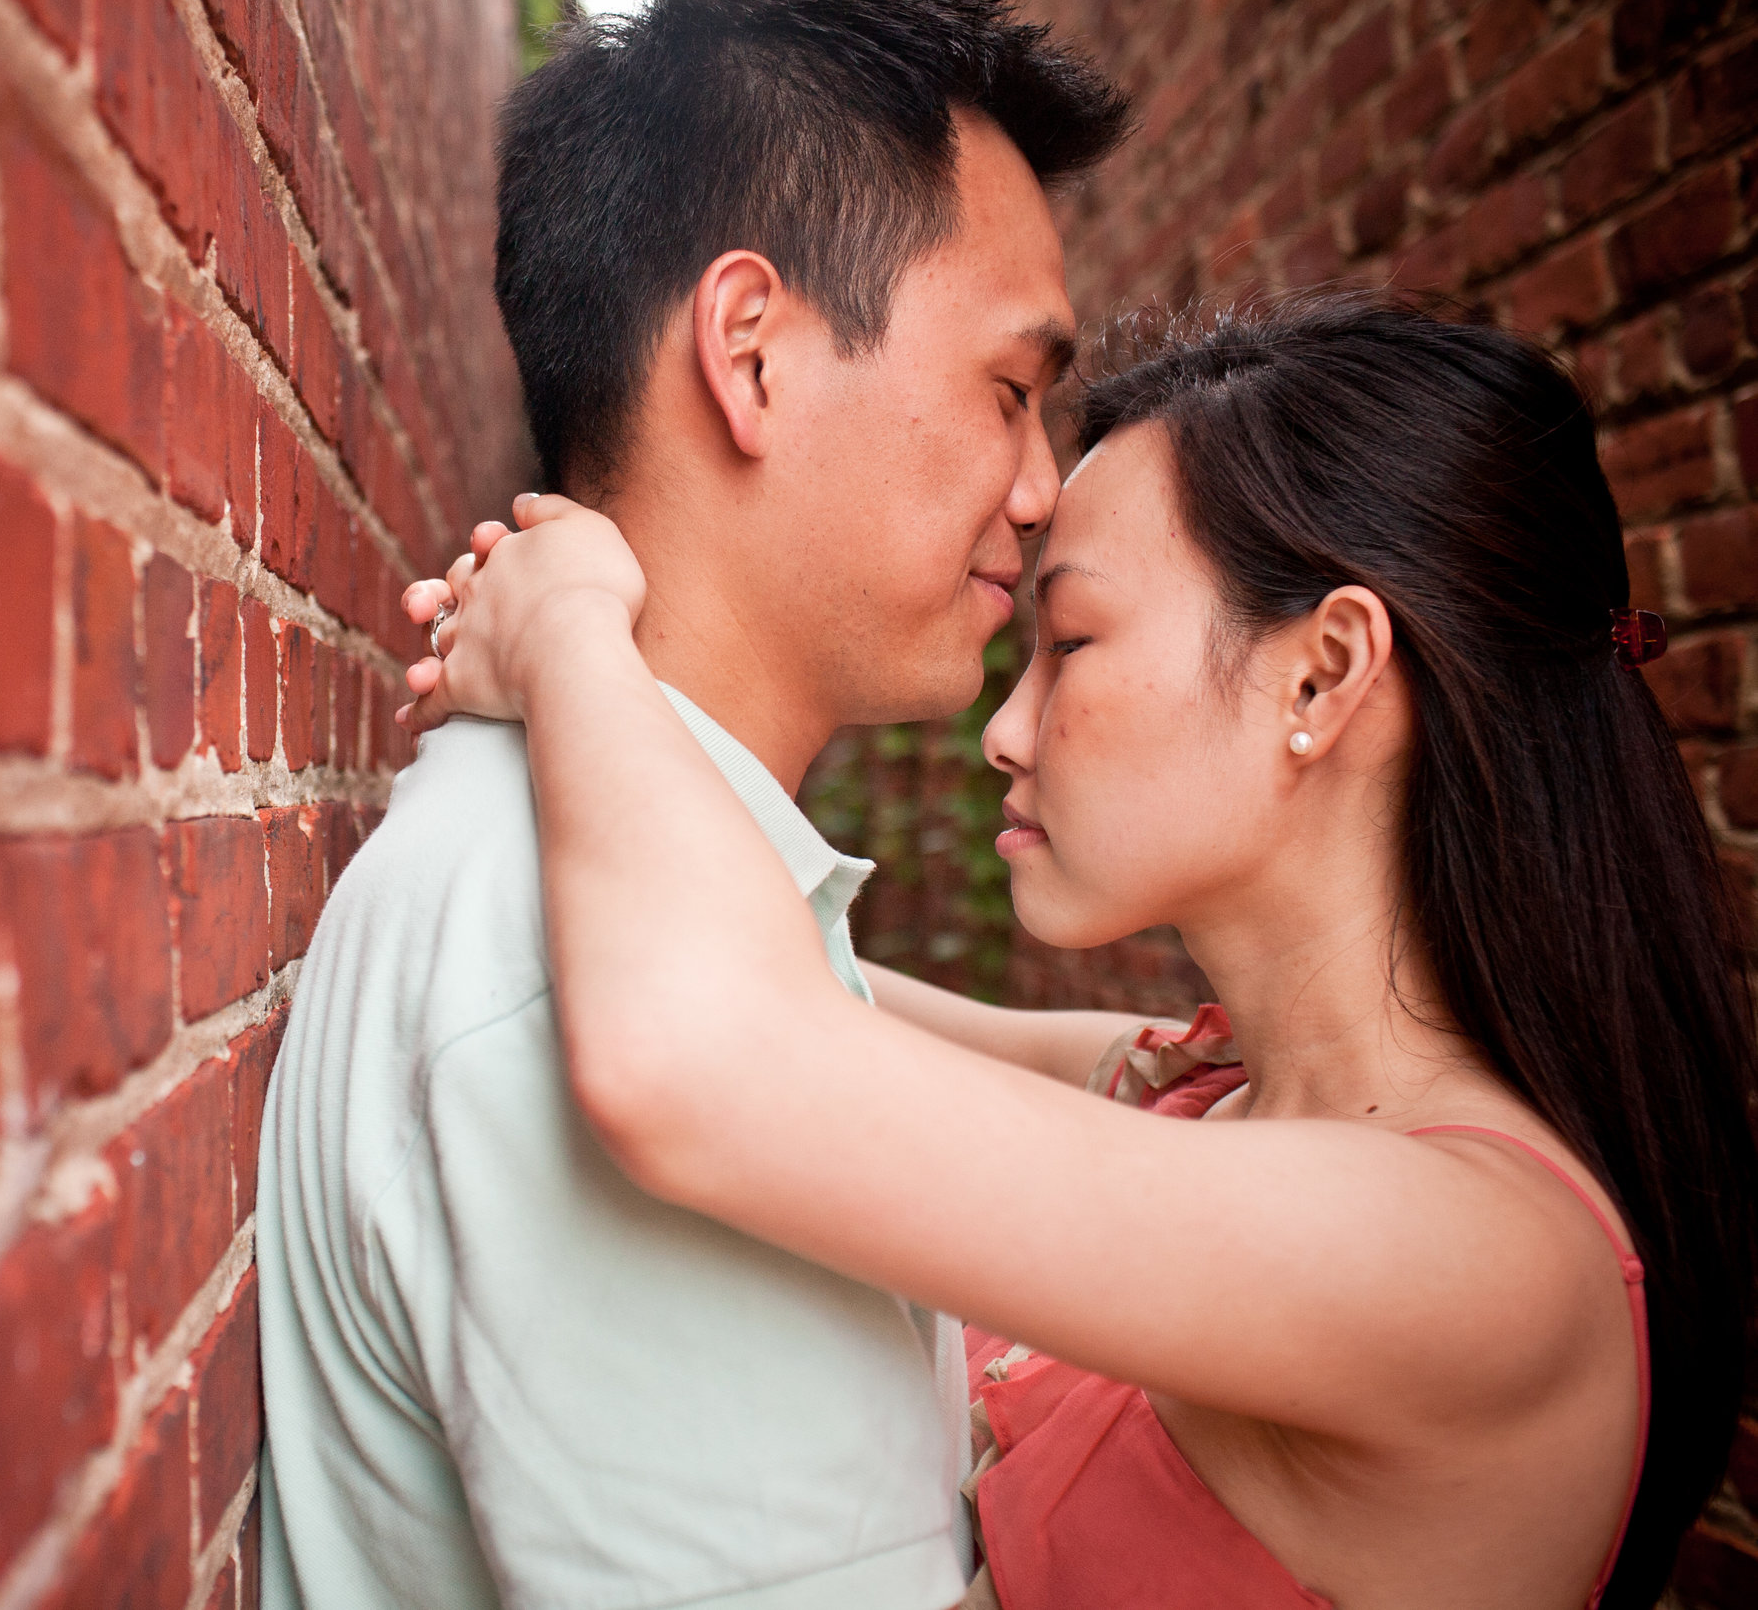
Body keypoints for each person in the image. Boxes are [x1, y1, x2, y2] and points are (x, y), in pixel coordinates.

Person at [399, 291, 1758, 1610]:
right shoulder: (1206, 1093)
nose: (1007, 730)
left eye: (1076, 642)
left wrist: (572, 629)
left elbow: (701, 1058)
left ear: (1322, 675)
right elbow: (812, 987)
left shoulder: (1478, 1262)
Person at [252, 0, 1130, 1606]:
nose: (1043, 492)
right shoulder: (564, 977)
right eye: (1014, 393)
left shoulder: (657, 903)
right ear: (753, 353)